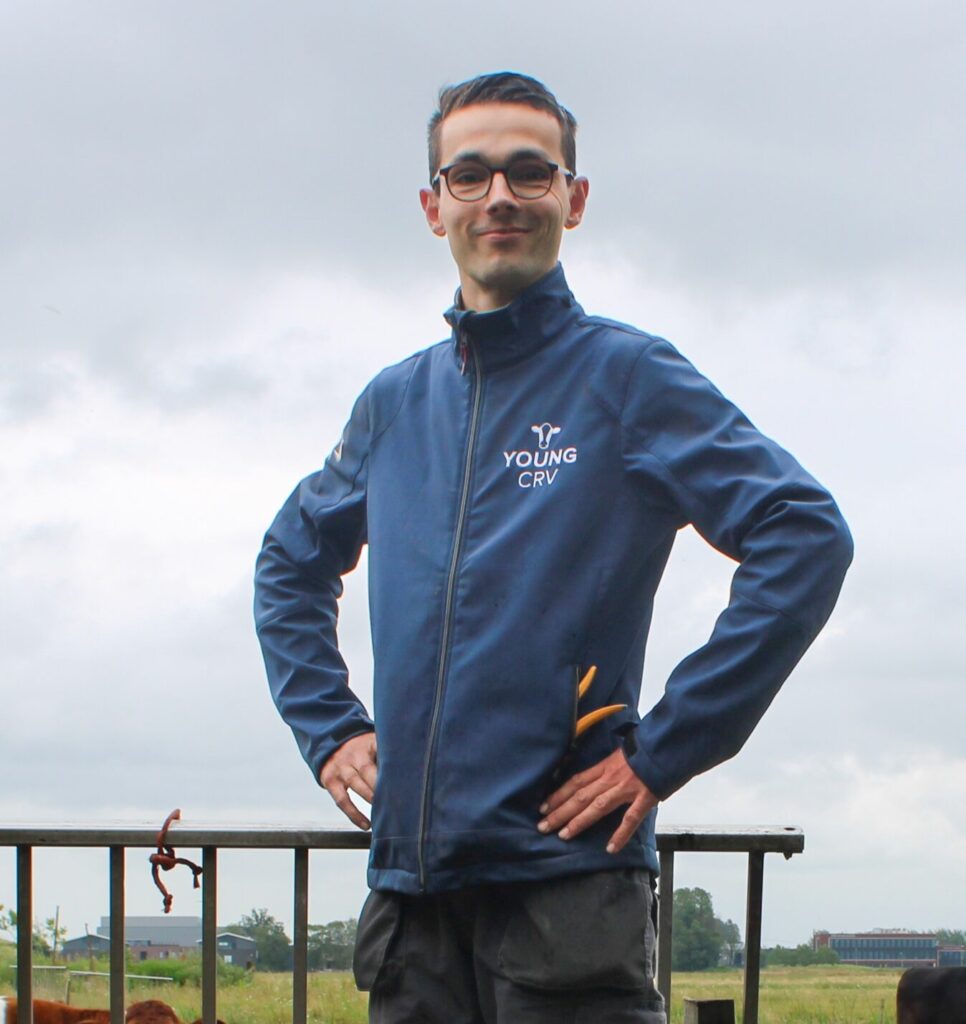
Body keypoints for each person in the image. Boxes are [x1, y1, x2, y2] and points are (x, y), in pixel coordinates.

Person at [254, 71, 853, 1023]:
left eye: (530, 172)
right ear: (432, 205)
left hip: (567, 893)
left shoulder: (627, 376)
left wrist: (661, 751)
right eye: (471, 174)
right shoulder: (393, 404)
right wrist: (330, 730)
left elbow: (805, 534)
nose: (500, 196)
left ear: (572, 201)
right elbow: (289, 563)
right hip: (412, 905)